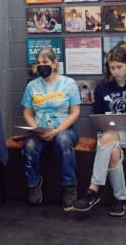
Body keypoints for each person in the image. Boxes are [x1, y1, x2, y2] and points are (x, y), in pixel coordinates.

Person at [73, 47, 126, 216]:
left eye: (119, 67)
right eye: (112, 68)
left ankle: (93, 190)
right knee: (113, 152)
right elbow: (97, 115)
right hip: (108, 134)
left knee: (108, 138)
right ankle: (121, 199)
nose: (115, 72)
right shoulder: (104, 87)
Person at [21, 46, 81, 211]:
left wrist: (56, 130)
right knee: (30, 146)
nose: (42, 66)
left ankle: (70, 187)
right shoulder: (32, 86)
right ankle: (33, 184)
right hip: (40, 131)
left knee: (62, 141)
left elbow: (75, 112)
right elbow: (27, 113)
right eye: (38, 63)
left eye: (45, 62)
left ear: (55, 64)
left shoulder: (68, 84)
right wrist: (37, 129)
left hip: (64, 129)